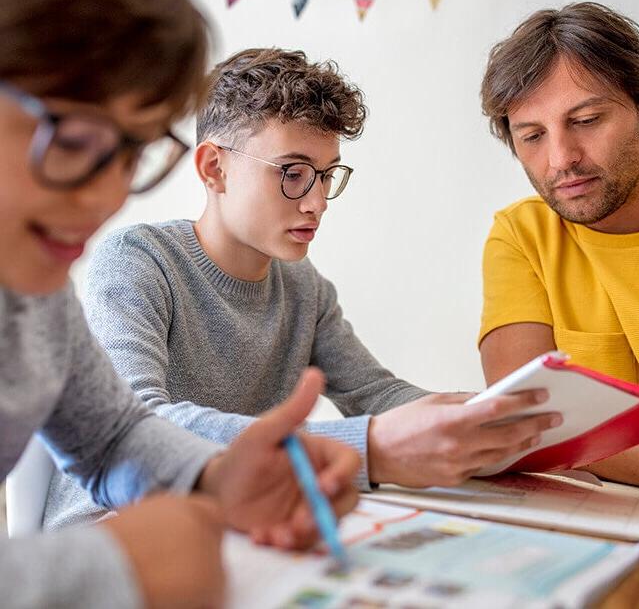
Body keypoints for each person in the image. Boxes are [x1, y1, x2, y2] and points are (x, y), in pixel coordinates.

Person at [44, 47, 562, 529]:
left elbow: (374, 394)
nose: (316, 203)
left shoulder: (303, 287)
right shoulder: (138, 260)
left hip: (233, 522)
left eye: (326, 174)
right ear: (214, 168)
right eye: (293, 173)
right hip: (115, 531)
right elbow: (140, 421)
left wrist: (485, 419)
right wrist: (365, 446)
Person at [0, 0, 361, 608]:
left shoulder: (36, 294)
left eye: (133, 153)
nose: (106, 198)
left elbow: (113, 436)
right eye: (74, 140)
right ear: (213, 169)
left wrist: (216, 476)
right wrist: (108, 566)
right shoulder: (134, 259)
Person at [478, 1, 639, 506]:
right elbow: (525, 417)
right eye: (532, 136)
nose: (561, 160)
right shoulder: (520, 236)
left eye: (587, 119)